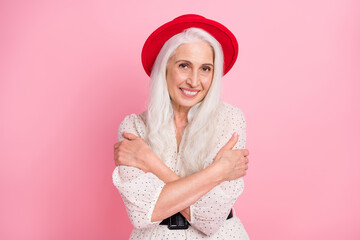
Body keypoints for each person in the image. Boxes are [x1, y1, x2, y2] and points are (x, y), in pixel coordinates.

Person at [112, 14, 250, 239]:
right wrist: (218, 172)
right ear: (164, 68)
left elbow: (210, 219)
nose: (194, 81)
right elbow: (142, 213)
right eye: (184, 66)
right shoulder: (134, 128)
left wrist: (150, 162)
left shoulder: (230, 120)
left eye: (205, 68)